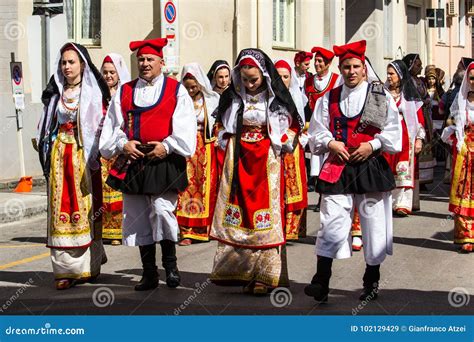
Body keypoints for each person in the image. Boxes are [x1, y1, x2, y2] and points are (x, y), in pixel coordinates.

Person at [306, 40, 402, 302]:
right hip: (338, 167)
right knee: (331, 222)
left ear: (364, 67)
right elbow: (317, 129)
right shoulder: (329, 97)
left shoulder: (379, 97)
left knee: (373, 225)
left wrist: (372, 144)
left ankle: (371, 281)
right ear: (341, 68)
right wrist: (330, 142)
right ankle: (321, 281)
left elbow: (394, 131)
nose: (351, 71)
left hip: (369, 167)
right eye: (346, 66)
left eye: (356, 66)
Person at [99, 38, 196, 291]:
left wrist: (167, 146)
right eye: (141, 59)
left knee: (164, 211)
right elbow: (113, 126)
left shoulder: (176, 90)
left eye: (150, 59)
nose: (144, 64)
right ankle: (149, 273)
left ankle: (171, 268)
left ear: (161, 62)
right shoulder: (125, 91)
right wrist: (123, 144)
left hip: (163, 160)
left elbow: (186, 128)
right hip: (134, 162)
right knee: (138, 216)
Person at [210, 48, 302, 295]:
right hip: (238, 158)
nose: (250, 85)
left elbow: (293, 127)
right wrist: (223, 137)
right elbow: (220, 126)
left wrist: (282, 141)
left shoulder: (276, 100)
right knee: (239, 214)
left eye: (254, 80)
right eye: (245, 80)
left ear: (264, 75)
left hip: (266, 160)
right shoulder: (232, 98)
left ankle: (265, 275)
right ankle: (238, 271)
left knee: (265, 217)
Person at [37, 42, 110, 290]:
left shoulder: (92, 93)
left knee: (87, 209)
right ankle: (64, 271)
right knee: (61, 212)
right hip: (60, 156)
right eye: (63, 62)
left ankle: (89, 265)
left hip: (83, 157)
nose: (66, 66)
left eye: (71, 62)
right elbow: (47, 124)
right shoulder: (56, 93)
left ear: (82, 65)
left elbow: (100, 126)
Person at [177, 63, 220, 246]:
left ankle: (204, 228)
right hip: (186, 149)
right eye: (187, 87)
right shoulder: (179, 100)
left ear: (200, 83)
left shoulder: (212, 100)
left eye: (194, 86)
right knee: (185, 190)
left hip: (206, 148)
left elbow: (219, 124)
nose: (191, 90)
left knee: (206, 188)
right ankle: (186, 230)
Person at [384, 60, 425, 216]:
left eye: (391, 74)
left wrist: (419, 139)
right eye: (387, 73)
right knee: (388, 165)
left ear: (400, 76)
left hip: (405, 136)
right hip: (388, 135)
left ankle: (402, 203)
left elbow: (418, 119)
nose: (388, 77)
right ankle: (388, 201)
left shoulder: (408, 95)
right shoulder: (383, 92)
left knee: (403, 168)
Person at [441, 61, 474, 253]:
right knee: (463, 195)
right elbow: (450, 121)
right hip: (464, 152)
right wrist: (454, 131)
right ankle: (466, 236)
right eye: (471, 78)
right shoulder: (460, 101)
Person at [275, 58, 308, 241]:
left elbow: (302, 123)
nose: (282, 80)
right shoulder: (269, 98)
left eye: (286, 76)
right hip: (273, 148)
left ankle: (292, 228)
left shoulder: (296, 97)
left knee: (292, 186)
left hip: (292, 148)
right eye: (278, 76)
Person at [100, 53, 131, 246]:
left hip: (120, 147)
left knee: (119, 189)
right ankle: (104, 230)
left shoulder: (125, 94)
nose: (108, 76)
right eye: (105, 72)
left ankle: (119, 230)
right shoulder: (97, 94)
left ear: (119, 74)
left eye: (112, 72)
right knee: (103, 190)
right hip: (103, 148)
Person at [305, 47, 340, 210]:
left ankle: (324, 197)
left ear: (328, 64)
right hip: (313, 125)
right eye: (315, 61)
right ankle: (320, 194)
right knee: (316, 162)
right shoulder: (309, 81)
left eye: (320, 61)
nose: (316, 64)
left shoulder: (336, 80)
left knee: (327, 162)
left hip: (330, 126)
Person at [403, 54, 436, 194]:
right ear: (410, 65)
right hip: (415, 115)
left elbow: (426, 95)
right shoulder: (407, 81)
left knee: (427, 147)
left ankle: (425, 179)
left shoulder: (420, 81)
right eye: (417, 64)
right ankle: (417, 179)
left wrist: (427, 100)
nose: (420, 67)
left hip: (425, 116)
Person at [425, 65, 445, 162]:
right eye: (429, 79)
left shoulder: (439, 91)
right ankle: (432, 157)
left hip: (438, 117)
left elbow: (443, 102)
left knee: (439, 138)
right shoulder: (425, 91)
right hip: (429, 116)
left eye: (433, 79)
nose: (431, 81)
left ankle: (440, 156)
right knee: (431, 138)